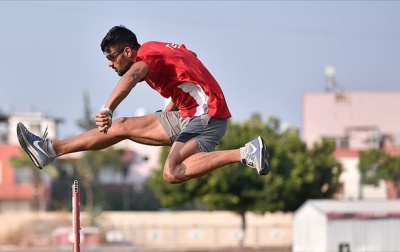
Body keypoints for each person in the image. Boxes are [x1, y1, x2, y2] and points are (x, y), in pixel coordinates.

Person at [17, 25, 269, 184]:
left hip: (207, 117)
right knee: (123, 126)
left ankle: (246, 153)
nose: (109, 63)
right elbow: (188, 70)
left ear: (128, 52)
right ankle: (50, 150)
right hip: (190, 114)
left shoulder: (146, 56)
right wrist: (169, 112)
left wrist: (108, 108)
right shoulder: (162, 51)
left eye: (111, 57)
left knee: (172, 172)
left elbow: (132, 76)